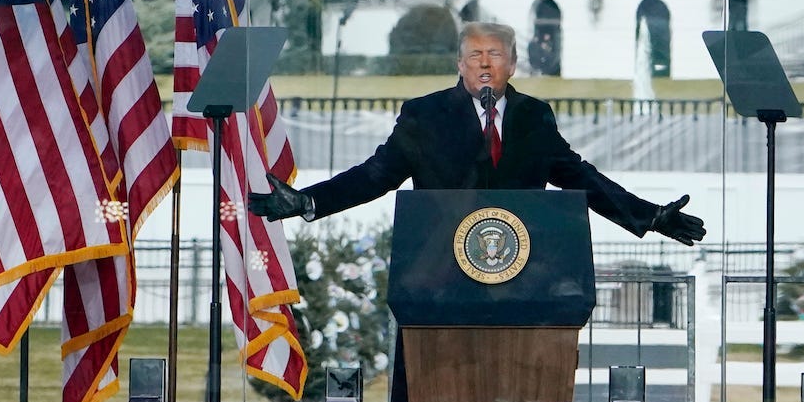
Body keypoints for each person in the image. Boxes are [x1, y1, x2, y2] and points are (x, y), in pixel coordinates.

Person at [248, 21, 706, 245]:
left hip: (522, 271)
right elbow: (375, 175)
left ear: (512, 64)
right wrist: (309, 201)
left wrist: (647, 217)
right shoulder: (424, 116)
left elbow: (581, 178)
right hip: (441, 268)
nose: (484, 64)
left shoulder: (534, 117)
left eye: (494, 55)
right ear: (459, 65)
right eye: (474, 56)